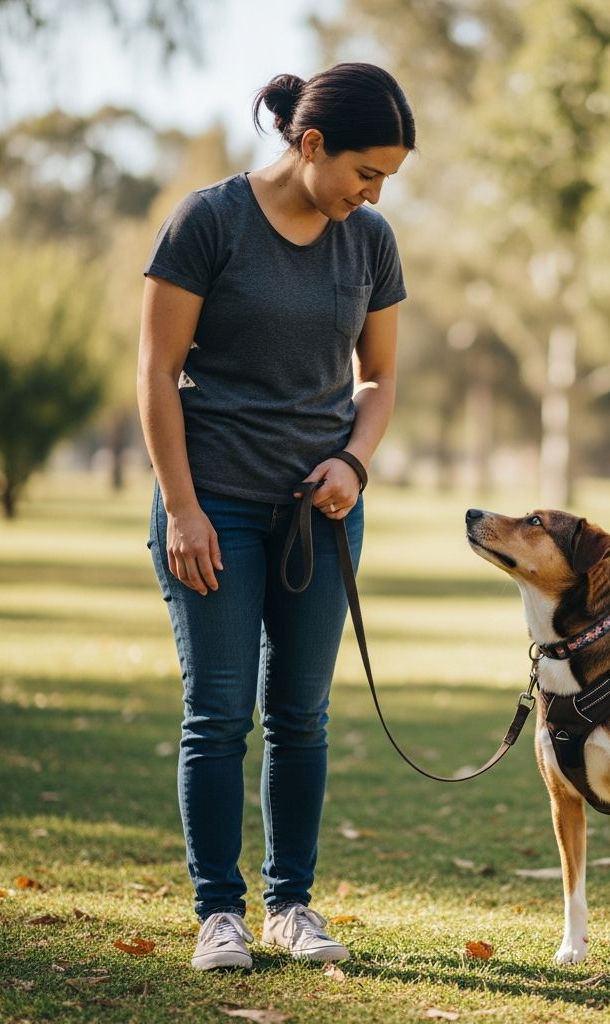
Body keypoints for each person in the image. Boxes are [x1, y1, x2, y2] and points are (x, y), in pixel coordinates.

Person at [136, 63, 414, 971]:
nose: (373, 194)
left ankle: (292, 906)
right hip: (212, 504)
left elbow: (380, 379)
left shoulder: (369, 241)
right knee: (218, 714)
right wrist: (182, 508)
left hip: (319, 515)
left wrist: (354, 462)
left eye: (387, 180)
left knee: (301, 717)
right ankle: (219, 914)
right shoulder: (208, 221)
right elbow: (155, 373)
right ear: (312, 143)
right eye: (366, 172)